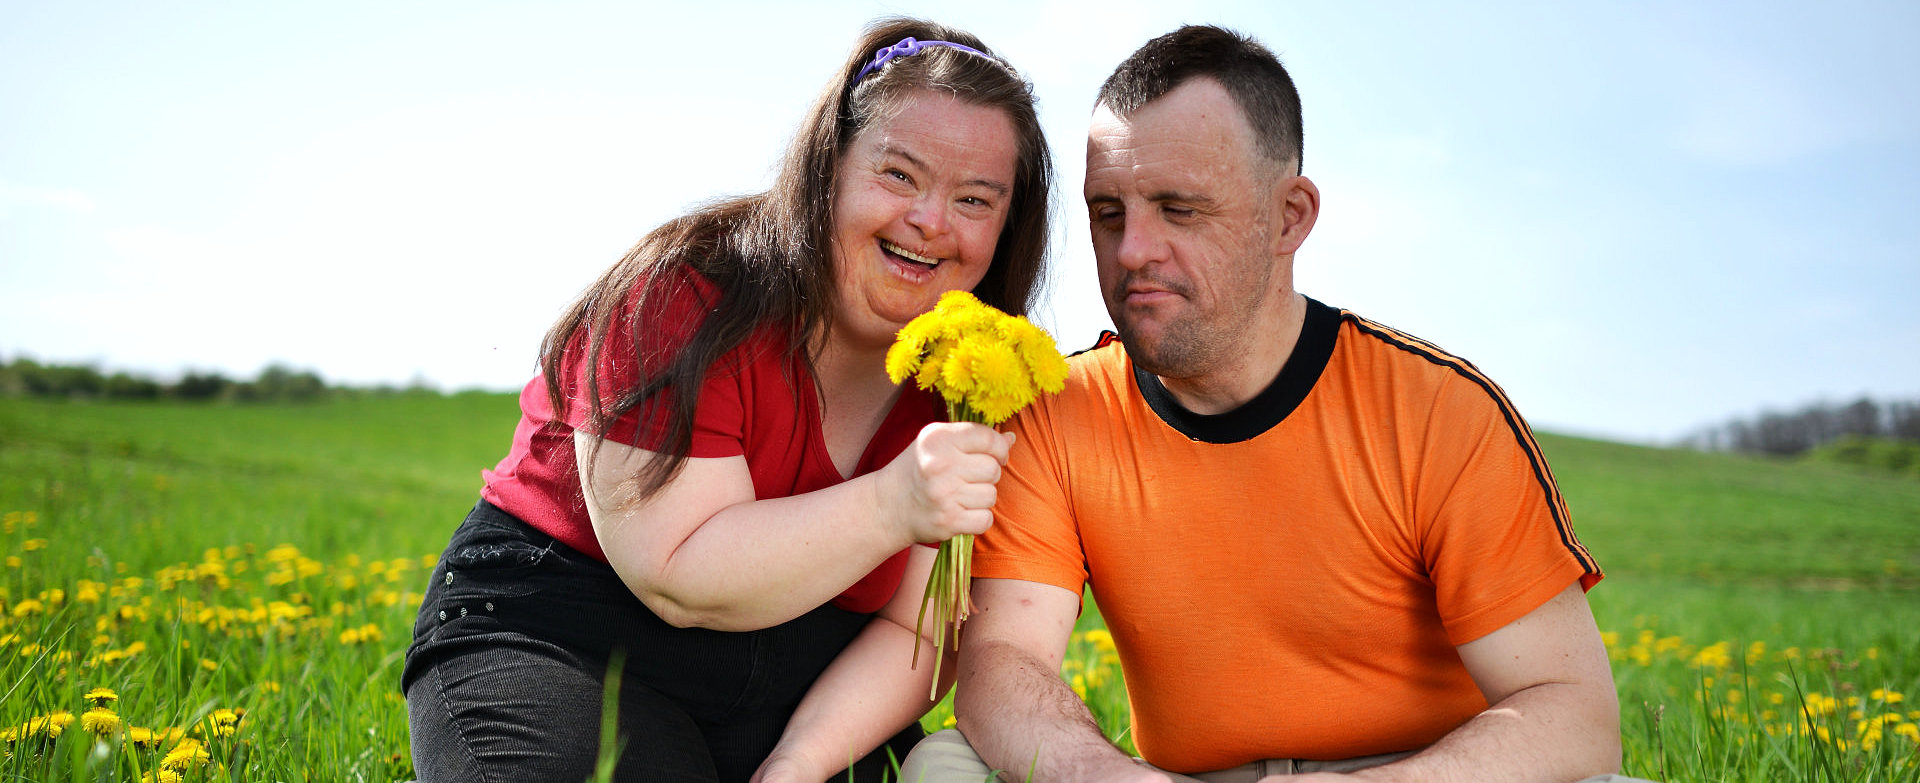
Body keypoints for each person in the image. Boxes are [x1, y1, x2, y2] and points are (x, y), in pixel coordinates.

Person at [901, 25, 1651, 783]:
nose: (1132, 251)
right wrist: (1113, 778)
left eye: (1179, 209)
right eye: (1108, 212)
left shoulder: (1438, 411)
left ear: (1290, 216)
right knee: (947, 764)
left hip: (1420, 774)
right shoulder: (1057, 410)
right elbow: (1002, 663)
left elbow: (1574, 714)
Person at [401, 18, 1053, 783]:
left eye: (975, 200)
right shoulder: (683, 294)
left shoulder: (974, 380)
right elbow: (676, 573)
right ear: (828, 168)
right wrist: (896, 501)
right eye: (899, 175)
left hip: (804, 692)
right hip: (568, 636)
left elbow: (919, 629)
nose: (931, 221)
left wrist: (801, 762)